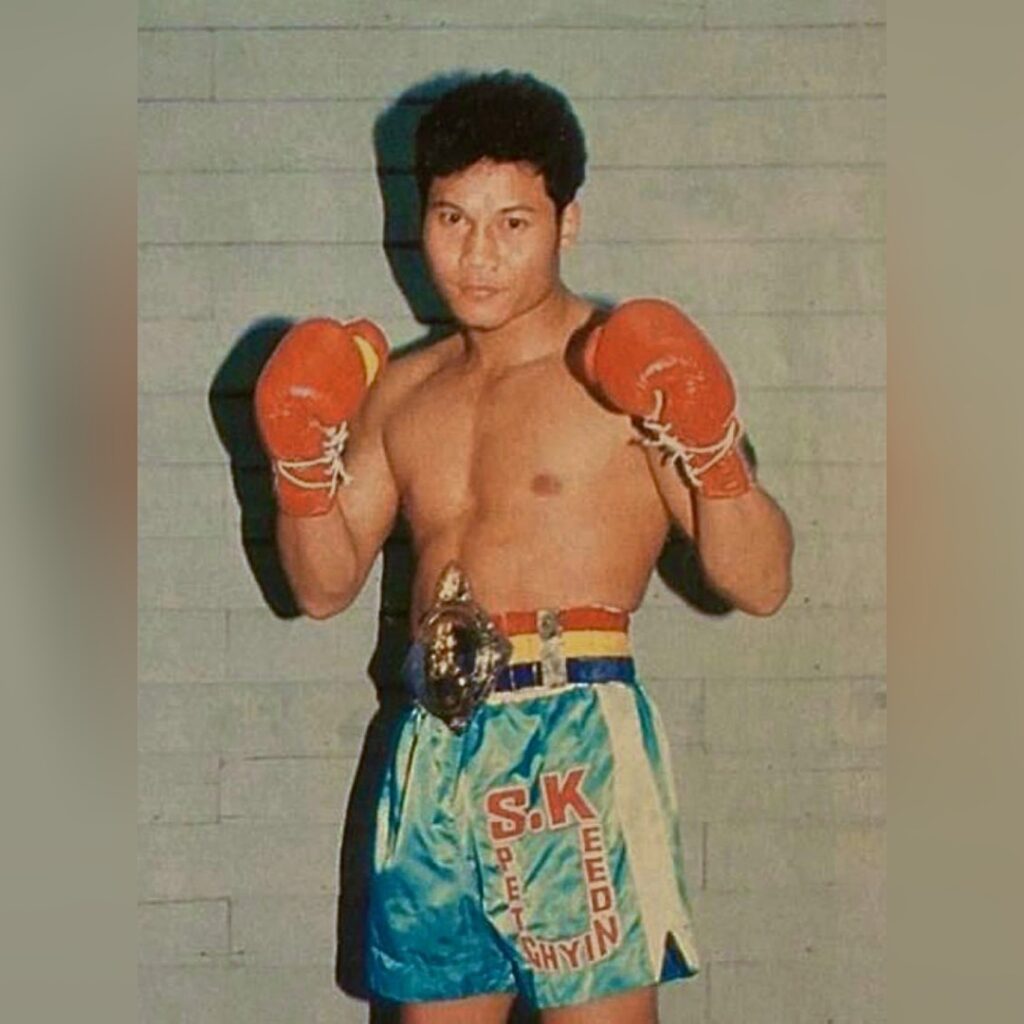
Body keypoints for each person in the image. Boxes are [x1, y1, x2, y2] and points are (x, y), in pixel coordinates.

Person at [254, 72, 793, 1024]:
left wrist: (712, 451)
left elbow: (761, 581)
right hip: (433, 738)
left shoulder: (617, 366)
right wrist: (299, 471)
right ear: (420, 219)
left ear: (567, 222)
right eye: (454, 219)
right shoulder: (405, 393)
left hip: (572, 730)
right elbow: (323, 585)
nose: (479, 256)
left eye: (514, 222)